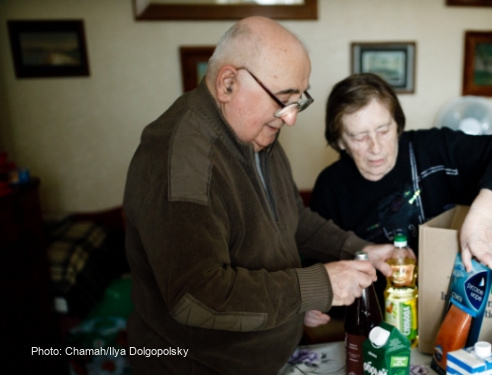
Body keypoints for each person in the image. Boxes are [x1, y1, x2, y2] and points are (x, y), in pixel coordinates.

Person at [123, 17, 394, 374]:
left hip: (271, 358)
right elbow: (197, 297)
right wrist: (319, 285)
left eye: (299, 101)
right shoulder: (181, 159)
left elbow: (292, 218)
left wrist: (357, 249)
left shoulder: (255, 134)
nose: (292, 118)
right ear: (228, 83)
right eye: (284, 101)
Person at [310, 73, 492, 303]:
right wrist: (315, 305)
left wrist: (483, 218)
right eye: (359, 137)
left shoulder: (434, 148)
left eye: (383, 130)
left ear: (397, 124)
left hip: (460, 301)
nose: (376, 148)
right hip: (379, 320)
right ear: (339, 141)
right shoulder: (330, 187)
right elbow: (318, 266)